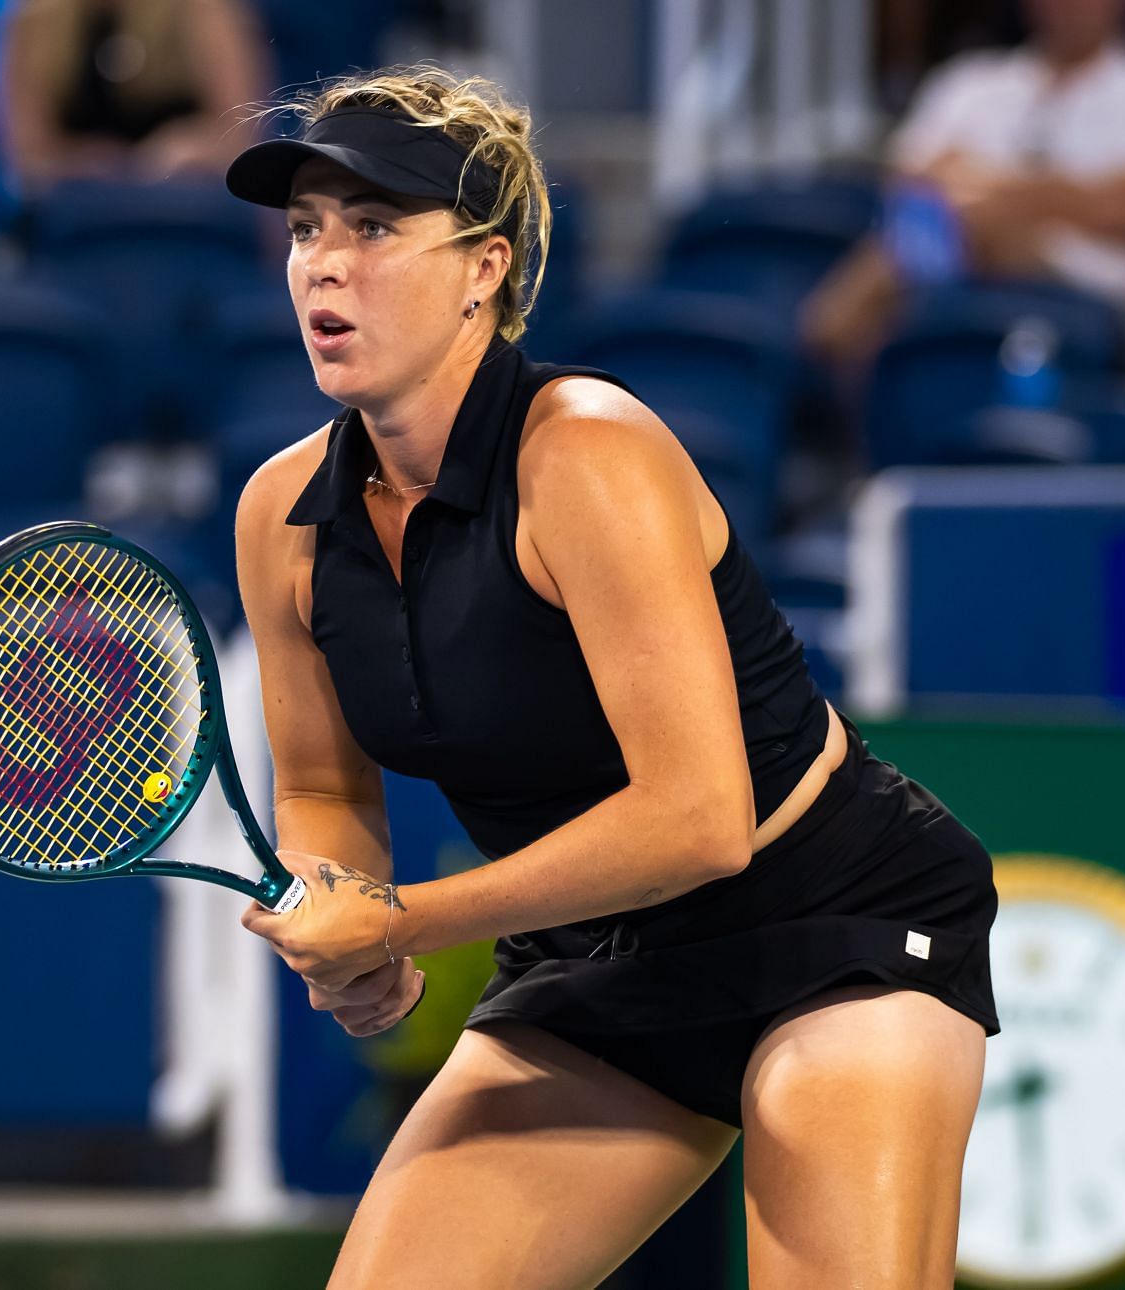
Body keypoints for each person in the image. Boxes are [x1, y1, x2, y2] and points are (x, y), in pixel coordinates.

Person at [226, 65, 1000, 1288]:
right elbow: (326, 787)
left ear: (485, 267)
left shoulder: (588, 451)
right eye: (306, 230)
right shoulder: (282, 513)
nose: (324, 263)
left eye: (373, 227)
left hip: (831, 921)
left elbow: (699, 823)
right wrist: (346, 920)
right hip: (595, 963)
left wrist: (403, 921)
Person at [804, 0, 1125, 367]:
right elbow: (909, 187)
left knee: (971, 227)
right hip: (952, 268)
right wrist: (1066, 196)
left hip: (1091, 290)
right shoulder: (969, 82)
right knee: (923, 245)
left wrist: (986, 188)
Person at [0, 0, 270, 189]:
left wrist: (182, 153)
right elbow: (26, 157)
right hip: (78, 217)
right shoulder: (34, 20)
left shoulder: (206, 11)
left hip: (189, 207)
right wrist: (82, 162)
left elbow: (242, 136)